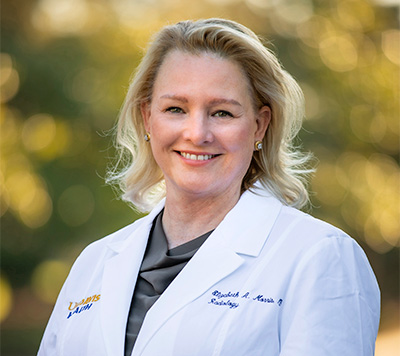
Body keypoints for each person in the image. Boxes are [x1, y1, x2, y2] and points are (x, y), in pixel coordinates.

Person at [38, 18, 380, 356]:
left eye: (222, 113)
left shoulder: (320, 257)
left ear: (260, 126)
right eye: (175, 109)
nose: (197, 133)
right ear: (147, 119)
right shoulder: (94, 262)